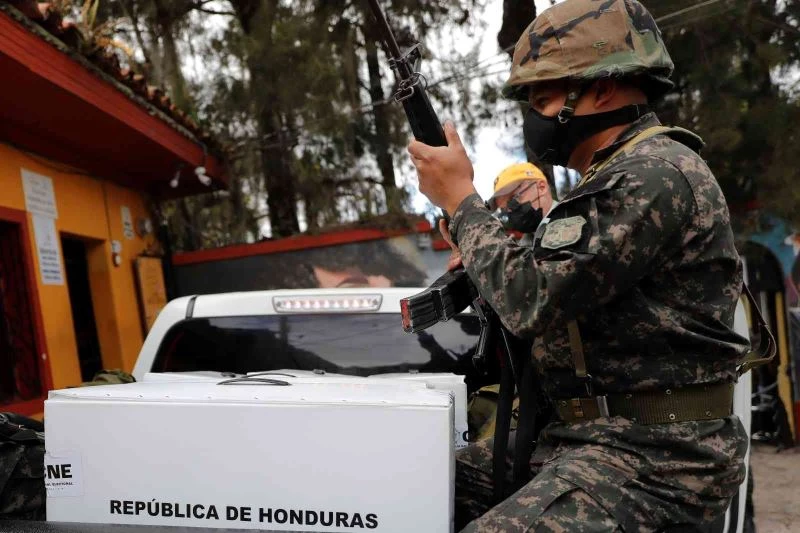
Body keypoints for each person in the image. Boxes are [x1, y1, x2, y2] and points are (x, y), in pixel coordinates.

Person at [407, 0, 750, 530]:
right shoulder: (610, 179)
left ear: (602, 89)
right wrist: (479, 251)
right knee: (403, 487)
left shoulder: (653, 174)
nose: (532, 118)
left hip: (658, 455)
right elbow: (549, 293)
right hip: (581, 438)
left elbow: (531, 298)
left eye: (542, 99)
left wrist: (460, 199)